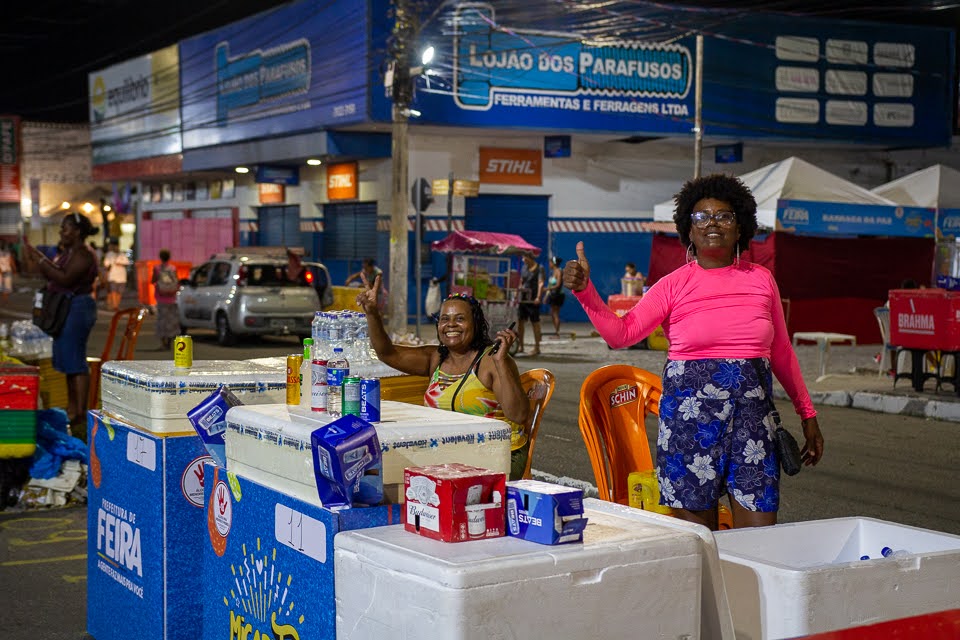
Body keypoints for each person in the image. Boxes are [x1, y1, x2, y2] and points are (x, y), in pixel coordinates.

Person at [563, 173, 824, 531]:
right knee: (699, 538)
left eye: (725, 215)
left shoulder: (761, 280)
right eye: (702, 216)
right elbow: (622, 334)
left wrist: (807, 414)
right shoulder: (672, 285)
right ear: (688, 228)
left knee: (760, 536)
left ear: (740, 228)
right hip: (690, 423)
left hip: (753, 422)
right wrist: (585, 292)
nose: (713, 222)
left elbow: (780, 351)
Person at [356, 274, 532, 480]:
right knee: (380, 470)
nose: (451, 325)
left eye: (460, 319)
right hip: (451, 452)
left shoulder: (491, 360)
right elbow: (388, 353)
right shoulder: (436, 358)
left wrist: (502, 362)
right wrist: (373, 314)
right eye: (445, 319)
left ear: (475, 324)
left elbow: (519, 415)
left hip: (498, 454)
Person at [21, 213, 100, 442]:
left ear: (76, 231)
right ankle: (72, 408)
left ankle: (80, 412)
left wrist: (43, 263)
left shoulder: (84, 255)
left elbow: (64, 279)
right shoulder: (69, 253)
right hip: (67, 309)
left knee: (75, 361)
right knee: (67, 360)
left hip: (78, 309)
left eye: (65, 228)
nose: (61, 232)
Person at [151, 249, 179, 350]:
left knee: (162, 321)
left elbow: (153, 280)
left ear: (160, 257)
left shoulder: (157, 268)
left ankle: (163, 343)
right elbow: (177, 281)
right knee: (171, 321)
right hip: (172, 298)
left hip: (161, 298)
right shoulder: (173, 268)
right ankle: (169, 343)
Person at [517, 253, 544, 356]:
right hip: (523, 299)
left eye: (525, 257)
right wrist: (517, 293)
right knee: (520, 322)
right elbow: (521, 281)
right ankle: (521, 345)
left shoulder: (539, 268)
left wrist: (538, 297)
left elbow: (540, 283)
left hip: (533, 300)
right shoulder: (524, 268)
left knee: (535, 322)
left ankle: (537, 347)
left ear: (530, 258)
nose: (523, 260)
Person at [102, 240, 130, 311]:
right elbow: (106, 265)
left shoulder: (122, 254)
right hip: (112, 276)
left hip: (122, 277)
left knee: (120, 292)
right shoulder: (109, 254)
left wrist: (120, 263)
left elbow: (127, 263)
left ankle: (116, 304)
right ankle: (114, 305)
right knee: (113, 291)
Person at [544, 255, 564, 336]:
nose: (549, 264)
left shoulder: (558, 271)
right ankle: (556, 332)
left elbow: (558, 284)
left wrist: (546, 289)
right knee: (553, 314)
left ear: (554, 263)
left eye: (550, 262)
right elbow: (550, 286)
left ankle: (557, 333)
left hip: (557, 295)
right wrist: (546, 296)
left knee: (555, 313)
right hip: (553, 295)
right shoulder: (553, 272)